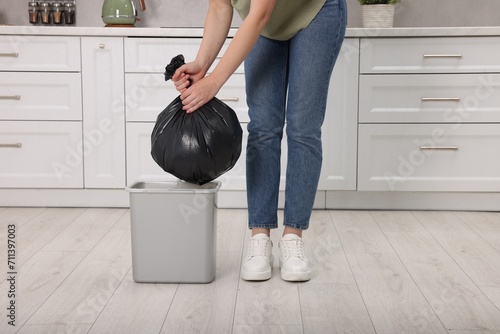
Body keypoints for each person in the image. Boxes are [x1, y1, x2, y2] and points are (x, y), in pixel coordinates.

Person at [172, 0, 347, 282]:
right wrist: (202, 64)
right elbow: (219, 7)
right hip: (265, 24)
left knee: (303, 128)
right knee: (263, 128)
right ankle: (260, 236)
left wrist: (214, 81)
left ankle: (293, 237)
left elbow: (261, 12)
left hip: (315, 12)